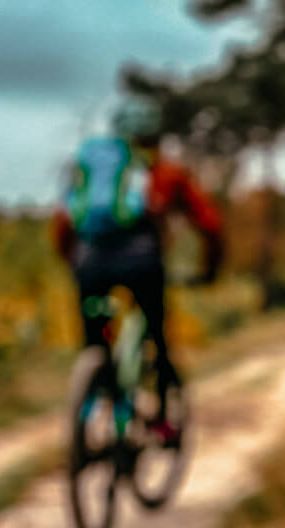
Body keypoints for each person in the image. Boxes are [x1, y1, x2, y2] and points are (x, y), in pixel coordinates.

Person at [51, 95, 224, 442]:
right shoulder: (166, 173)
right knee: (157, 339)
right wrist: (210, 270)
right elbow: (211, 225)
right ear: (155, 136)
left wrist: (73, 263)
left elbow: (63, 222)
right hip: (142, 265)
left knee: (95, 340)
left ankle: (94, 397)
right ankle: (160, 421)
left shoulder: (93, 169)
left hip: (90, 263)